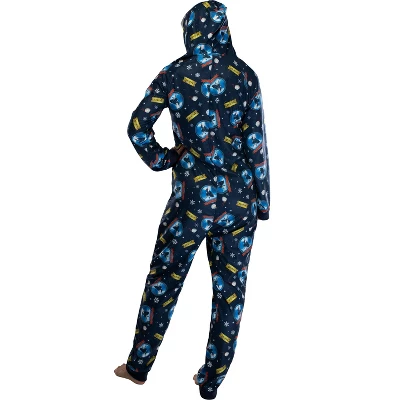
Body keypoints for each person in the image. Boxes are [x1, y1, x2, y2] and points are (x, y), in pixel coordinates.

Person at [114, 1, 270, 398]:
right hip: (239, 202)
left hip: (190, 203)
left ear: (190, 31)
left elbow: (137, 127)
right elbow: (256, 145)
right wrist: (264, 201)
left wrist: (164, 159)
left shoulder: (173, 74)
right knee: (230, 293)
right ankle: (211, 382)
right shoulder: (245, 76)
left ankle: (138, 367)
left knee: (163, 282)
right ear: (224, 29)